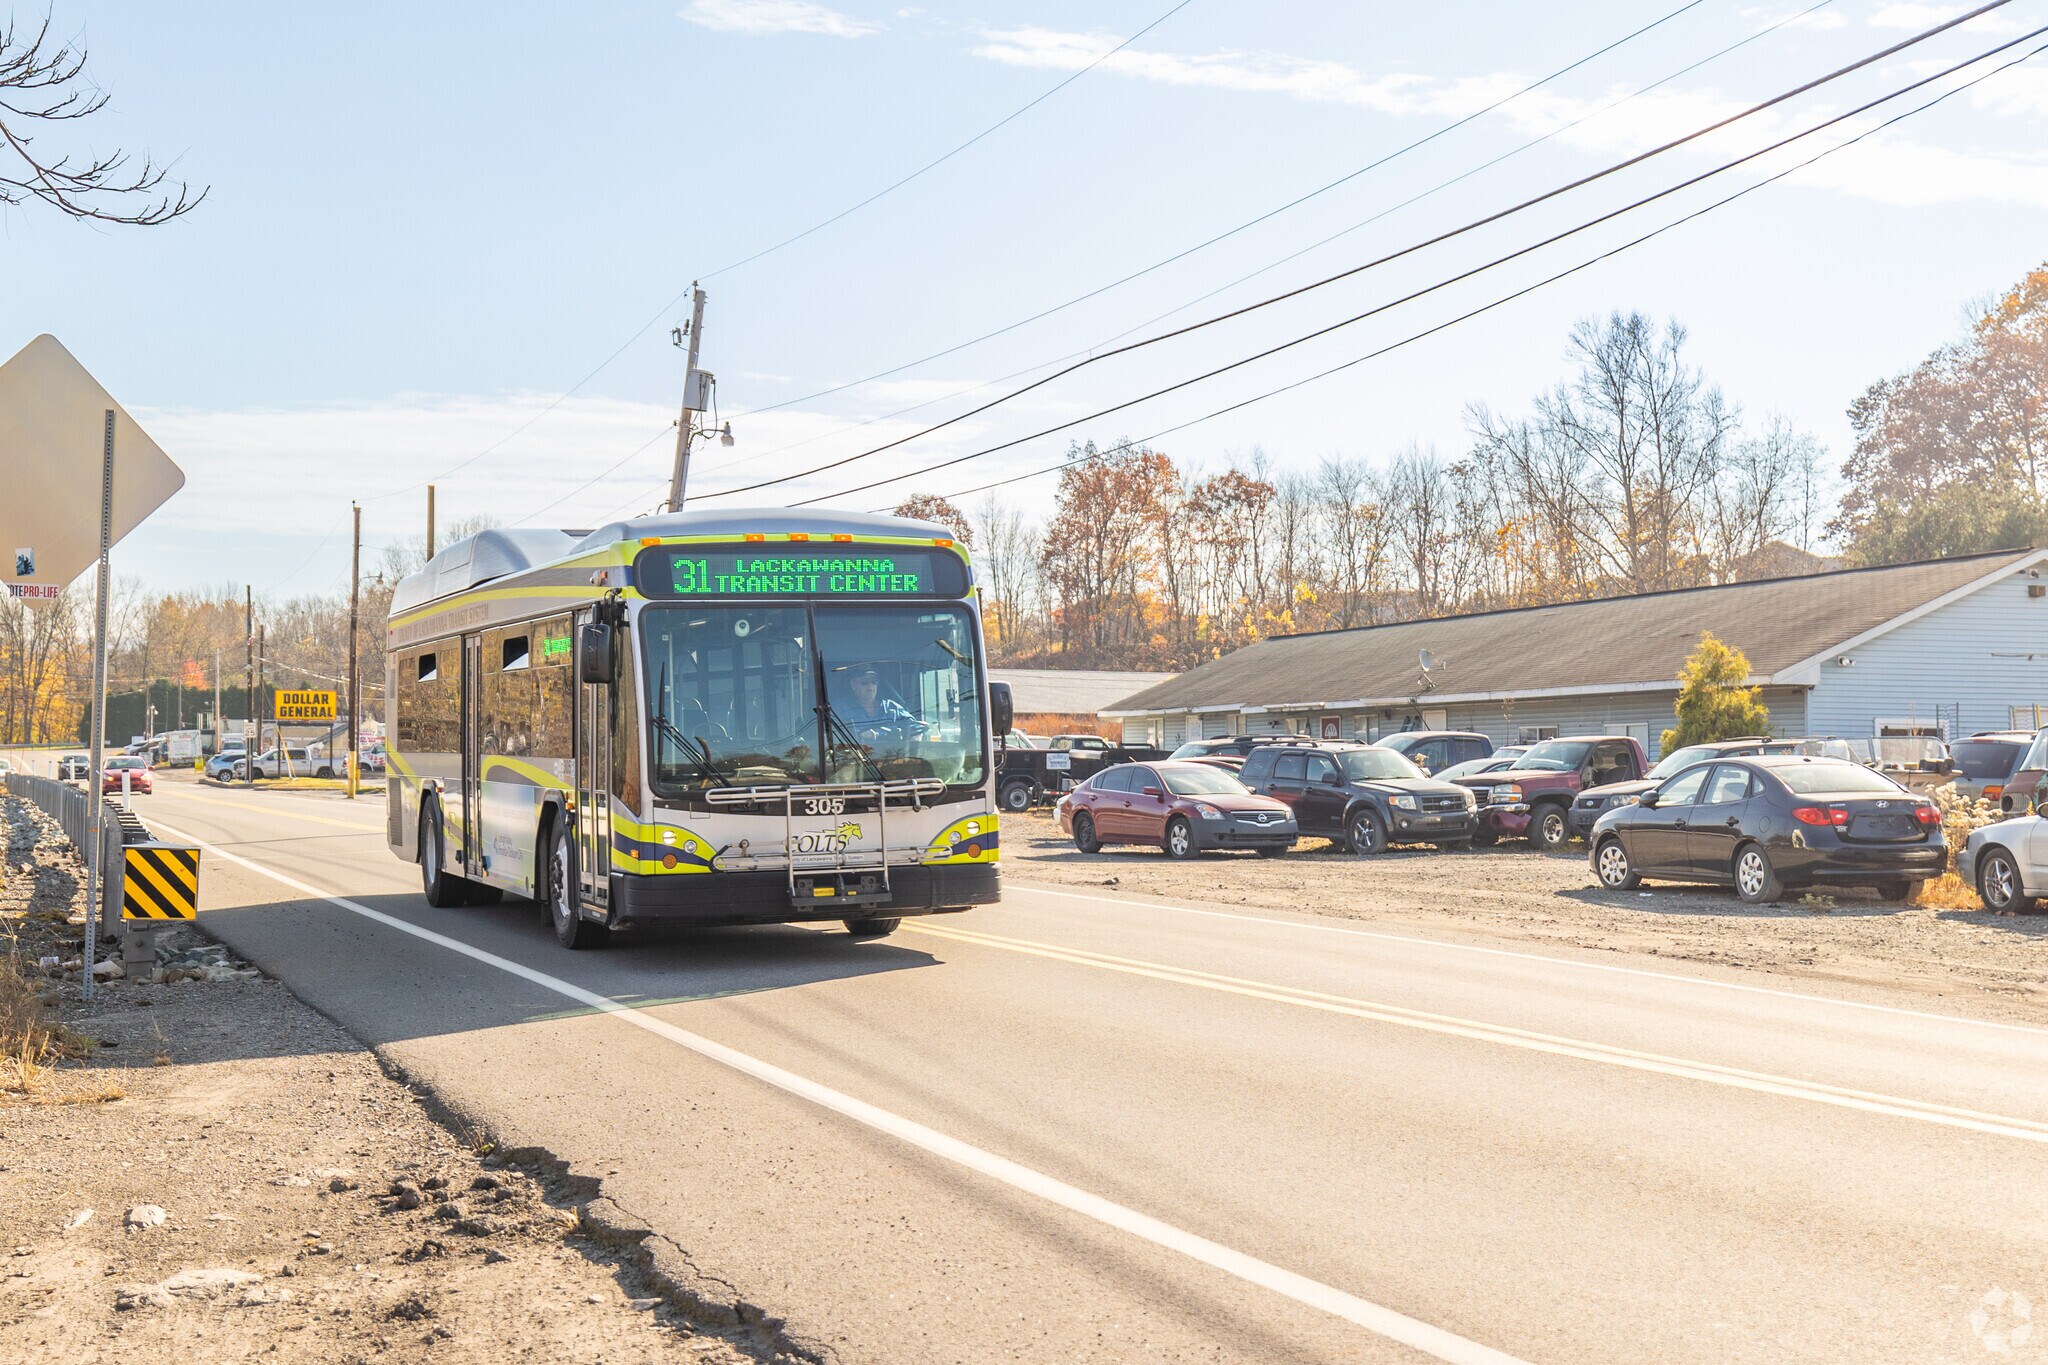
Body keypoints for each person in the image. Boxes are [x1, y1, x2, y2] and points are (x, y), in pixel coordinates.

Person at [839, 664, 917, 743]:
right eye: (864, 682)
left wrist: (914, 736)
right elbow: (832, 734)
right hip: (856, 754)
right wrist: (858, 734)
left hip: (895, 753)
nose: (870, 685)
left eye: (874, 682)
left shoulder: (892, 707)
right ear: (853, 685)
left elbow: (914, 727)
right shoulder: (840, 708)